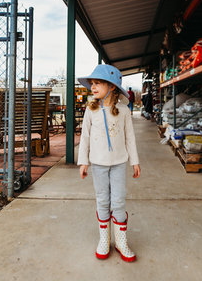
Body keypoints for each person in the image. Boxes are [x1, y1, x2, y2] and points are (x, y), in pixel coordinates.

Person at [77, 64, 141, 262]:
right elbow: (85, 137)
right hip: (98, 164)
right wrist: (83, 162)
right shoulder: (91, 110)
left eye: (98, 83)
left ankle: (121, 241)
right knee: (103, 199)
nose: (93, 87)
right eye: (92, 84)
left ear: (112, 87)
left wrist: (135, 161)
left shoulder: (123, 111)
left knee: (119, 200)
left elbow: (130, 137)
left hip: (119, 163)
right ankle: (104, 239)